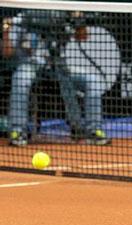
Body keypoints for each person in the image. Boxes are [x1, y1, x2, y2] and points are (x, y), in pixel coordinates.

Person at [2, 10, 111, 146]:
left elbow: (82, 37)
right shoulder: (25, 16)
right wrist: (6, 29)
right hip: (30, 64)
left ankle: (94, 131)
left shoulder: (64, 13)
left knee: (93, 81)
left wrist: (79, 21)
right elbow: (7, 53)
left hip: (59, 65)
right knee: (21, 79)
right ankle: (17, 132)